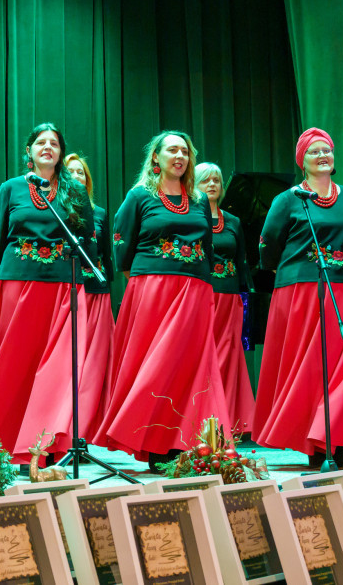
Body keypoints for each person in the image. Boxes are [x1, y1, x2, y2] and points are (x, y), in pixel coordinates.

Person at [92, 131, 228, 470]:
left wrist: (205, 283)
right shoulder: (140, 195)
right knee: (156, 365)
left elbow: (208, 248)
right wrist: (140, 280)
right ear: (156, 158)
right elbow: (121, 243)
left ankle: (186, 441)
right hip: (153, 288)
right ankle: (152, 440)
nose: (179, 155)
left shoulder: (198, 199)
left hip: (195, 288)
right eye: (172, 150)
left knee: (189, 366)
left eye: (184, 150)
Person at [253, 128, 343, 469]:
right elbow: (268, 247)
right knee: (312, 367)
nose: (322, 155)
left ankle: (340, 439)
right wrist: (294, 276)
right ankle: (316, 442)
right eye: (314, 151)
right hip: (305, 292)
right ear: (302, 161)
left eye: (327, 150)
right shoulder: (288, 199)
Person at [0, 123, 95, 465]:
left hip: (64, 284)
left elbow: (87, 237)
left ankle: (44, 444)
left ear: (60, 152)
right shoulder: (11, 188)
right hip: (18, 282)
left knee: (57, 369)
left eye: (54, 143)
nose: (47, 147)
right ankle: (5, 442)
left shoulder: (74, 190)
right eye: (40, 142)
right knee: (16, 363)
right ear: (28, 151)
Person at [194, 162, 255, 430]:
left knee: (228, 360)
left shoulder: (234, 222)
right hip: (201, 298)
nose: (212, 185)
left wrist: (248, 306)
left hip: (230, 299)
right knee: (203, 358)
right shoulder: (191, 217)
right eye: (205, 180)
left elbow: (242, 263)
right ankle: (200, 422)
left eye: (216, 180)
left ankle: (225, 424)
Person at [64, 153, 114, 442]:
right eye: (69, 173)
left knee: (93, 364)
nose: (75, 177)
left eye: (80, 173)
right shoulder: (54, 209)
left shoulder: (100, 214)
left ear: (87, 180)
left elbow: (107, 256)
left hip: (96, 293)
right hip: (67, 289)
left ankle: (89, 426)